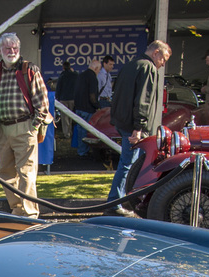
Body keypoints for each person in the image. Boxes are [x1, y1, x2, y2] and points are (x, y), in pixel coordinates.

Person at [0, 32, 50, 218]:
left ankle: (30, 214)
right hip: (2, 128)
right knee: (5, 173)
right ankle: (17, 209)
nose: (12, 51)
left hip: (25, 125)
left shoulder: (29, 69)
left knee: (27, 174)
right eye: (7, 48)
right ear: (0, 50)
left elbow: (42, 102)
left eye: (15, 48)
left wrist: (34, 126)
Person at [106, 40, 171, 215]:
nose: (163, 63)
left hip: (123, 122)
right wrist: (139, 127)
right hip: (134, 126)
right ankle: (115, 202)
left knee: (133, 164)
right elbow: (144, 100)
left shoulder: (130, 66)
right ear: (156, 52)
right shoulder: (148, 68)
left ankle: (127, 200)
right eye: (163, 58)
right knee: (129, 164)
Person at [73, 59, 100, 157]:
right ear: (96, 68)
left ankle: (81, 150)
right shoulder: (92, 77)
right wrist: (97, 106)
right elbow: (92, 95)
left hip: (78, 107)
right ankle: (84, 151)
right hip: (88, 108)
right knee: (87, 131)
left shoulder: (80, 75)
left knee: (80, 130)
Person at [55, 59, 77, 138]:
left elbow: (58, 88)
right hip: (72, 98)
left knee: (64, 118)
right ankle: (70, 131)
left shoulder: (62, 76)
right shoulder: (75, 75)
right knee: (71, 116)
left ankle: (66, 133)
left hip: (63, 99)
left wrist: (57, 97)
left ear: (63, 67)